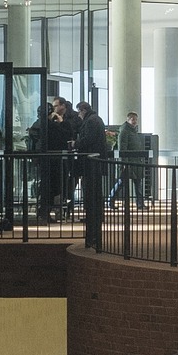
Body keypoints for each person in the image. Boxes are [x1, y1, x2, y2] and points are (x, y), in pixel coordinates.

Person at [76, 101, 111, 247]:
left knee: (91, 193)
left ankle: (92, 232)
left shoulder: (91, 121)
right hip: (96, 163)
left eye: (79, 112)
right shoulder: (97, 119)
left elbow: (88, 139)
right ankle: (94, 227)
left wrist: (76, 144)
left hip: (91, 164)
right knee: (95, 193)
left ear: (83, 110)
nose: (78, 115)